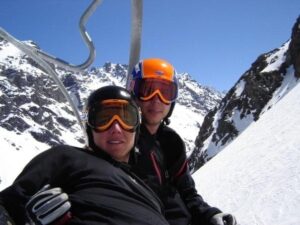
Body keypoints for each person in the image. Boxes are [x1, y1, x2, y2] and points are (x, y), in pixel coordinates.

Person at [25, 59, 237, 225]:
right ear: (134, 94)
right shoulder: (117, 141)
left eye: (165, 92)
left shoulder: (171, 142)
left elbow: (187, 192)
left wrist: (209, 215)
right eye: (148, 89)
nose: (156, 99)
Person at [0, 85, 169, 225]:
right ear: (90, 127)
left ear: (137, 127)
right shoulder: (67, 157)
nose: (116, 128)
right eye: (103, 119)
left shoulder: (149, 192)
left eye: (127, 118)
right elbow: (6, 206)